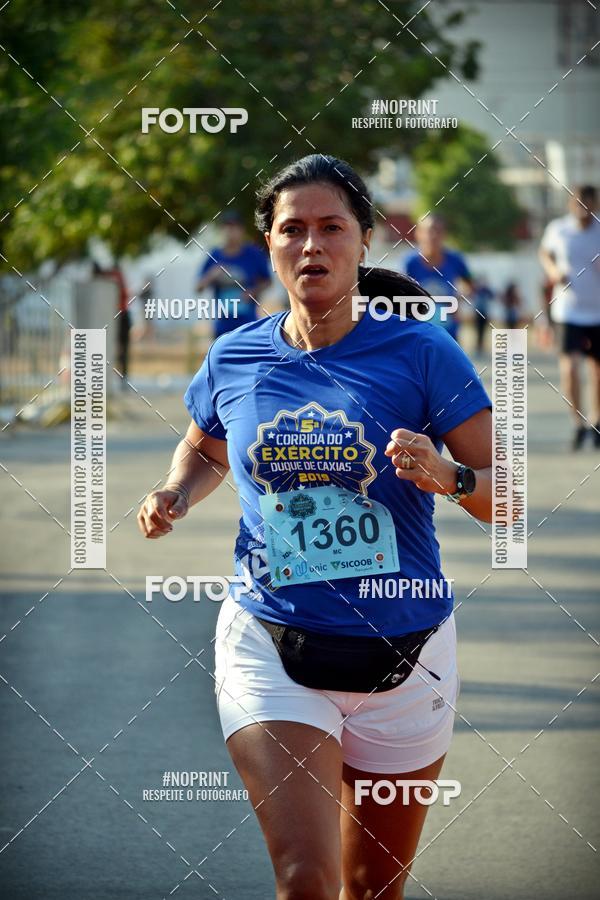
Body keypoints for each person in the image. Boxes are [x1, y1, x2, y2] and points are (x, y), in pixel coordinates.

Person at [138, 155, 493, 900]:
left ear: (364, 240)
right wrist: (175, 490)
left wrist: (448, 476)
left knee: (373, 889)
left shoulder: (423, 351)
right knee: (306, 879)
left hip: (408, 652)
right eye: (292, 229)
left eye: (332, 227)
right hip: (271, 639)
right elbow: (204, 447)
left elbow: (509, 498)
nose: (311, 245)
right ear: (268, 243)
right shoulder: (236, 355)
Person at [539, 185, 600, 450]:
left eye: (588, 203)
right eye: (578, 203)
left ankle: (597, 421)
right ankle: (578, 422)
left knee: (597, 370)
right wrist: (553, 270)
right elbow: (544, 252)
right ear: (570, 204)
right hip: (568, 310)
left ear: (595, 204)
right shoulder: (558, 229)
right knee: (570, 368)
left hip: (597, 311)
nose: (583, 208)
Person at [195, 209, 271, 338]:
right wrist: (212, 274)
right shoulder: (214, 255)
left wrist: (253, 292)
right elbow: (198, 288)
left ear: (242, 230)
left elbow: (267, 281)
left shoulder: (253, 254)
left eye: (234, 227)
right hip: (222, 328)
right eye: (227, 227)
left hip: (249, 325)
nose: (230, 231)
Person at [403, 215, 473, 343]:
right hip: (419, 330)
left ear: (445, 234)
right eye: (429, 230)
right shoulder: (410, 263)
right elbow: (400, 292)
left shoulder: (456, 260)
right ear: (418, 234)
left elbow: (471, 286)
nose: (433, 236)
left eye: (439, 231)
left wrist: (457, 302)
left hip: (449, 330)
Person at [92, 261, 131, 386]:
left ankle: (121, 376)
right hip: (117, 316)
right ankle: (120, 376)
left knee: (120, 348)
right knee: (119, 348)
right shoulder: (113, 277)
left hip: (119, 316)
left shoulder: (112, 277)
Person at [472, 276, 495, 355]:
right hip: (478, 313)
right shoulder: (477, 289)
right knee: (478, 331)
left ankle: (481, 347)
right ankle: (478, 347)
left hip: (484, 313)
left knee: (483, 331)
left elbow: (492, 296)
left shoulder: (486, 290)